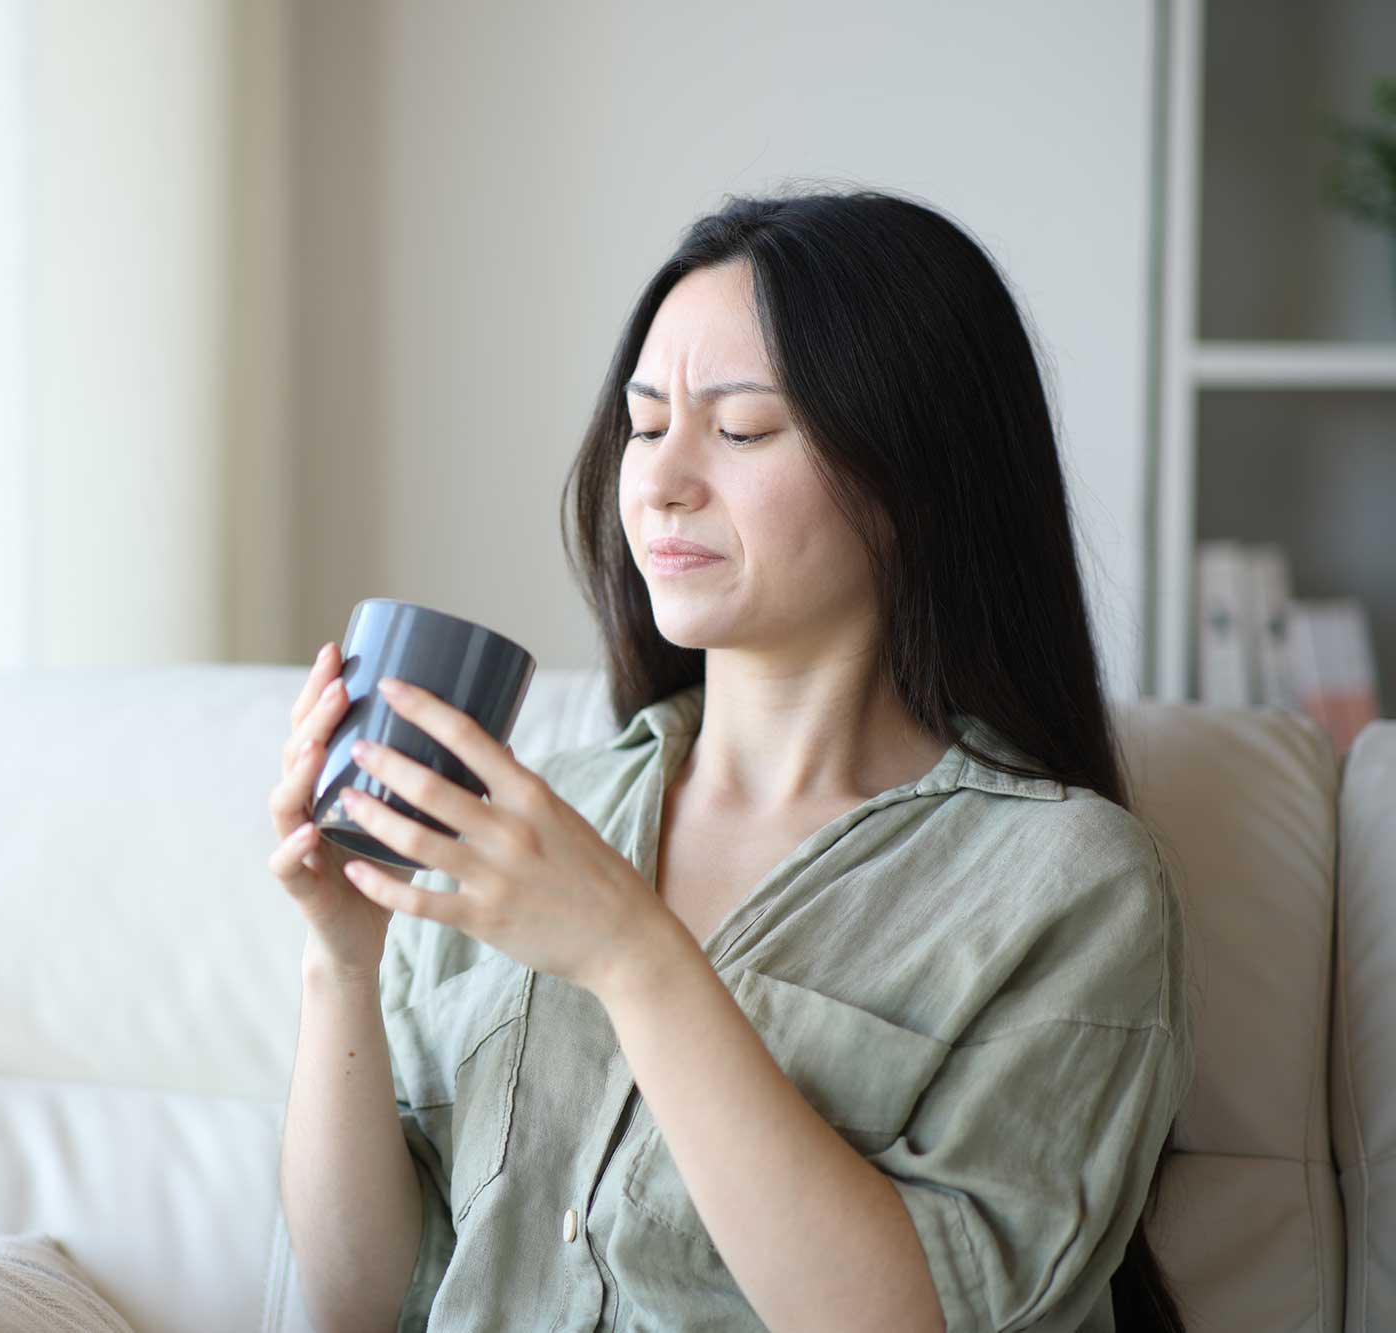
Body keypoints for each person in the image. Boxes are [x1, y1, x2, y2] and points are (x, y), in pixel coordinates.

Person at [272, 188, 1196, 1332]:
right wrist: (340, 963)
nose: (659, 480)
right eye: (645, 422)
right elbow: (356, 1299)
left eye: (741, 428)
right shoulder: (532, 820)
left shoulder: (1065, 884)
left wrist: (629, 953)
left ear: (911, 476)